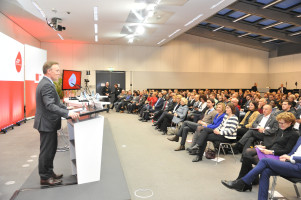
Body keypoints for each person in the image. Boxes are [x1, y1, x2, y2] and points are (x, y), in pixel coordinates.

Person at [221, 114, 301, 200]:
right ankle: (245, 181)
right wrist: (265, 147)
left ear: (289, 123)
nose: (280, 125)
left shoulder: (294, 134)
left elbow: (287, 150)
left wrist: (273, 152)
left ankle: (243, 182)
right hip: (279, 155)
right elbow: (276, 144)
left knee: (260, 160)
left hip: (280, 156)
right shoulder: (282, 131)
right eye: (279, 123)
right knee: (248, 153)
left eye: (282, 123)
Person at [34, 61, 80, 186]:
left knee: (51, 150)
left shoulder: (48, 83)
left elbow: (56, 103)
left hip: (48, 123)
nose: (59, 73)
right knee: (47, 151)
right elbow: (49, 105)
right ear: (49, 71)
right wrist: (67, 114)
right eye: (57, 70)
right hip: (46, 123)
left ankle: (49, 173)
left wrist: (67, 109)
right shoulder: (46, 85)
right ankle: (45, 177)